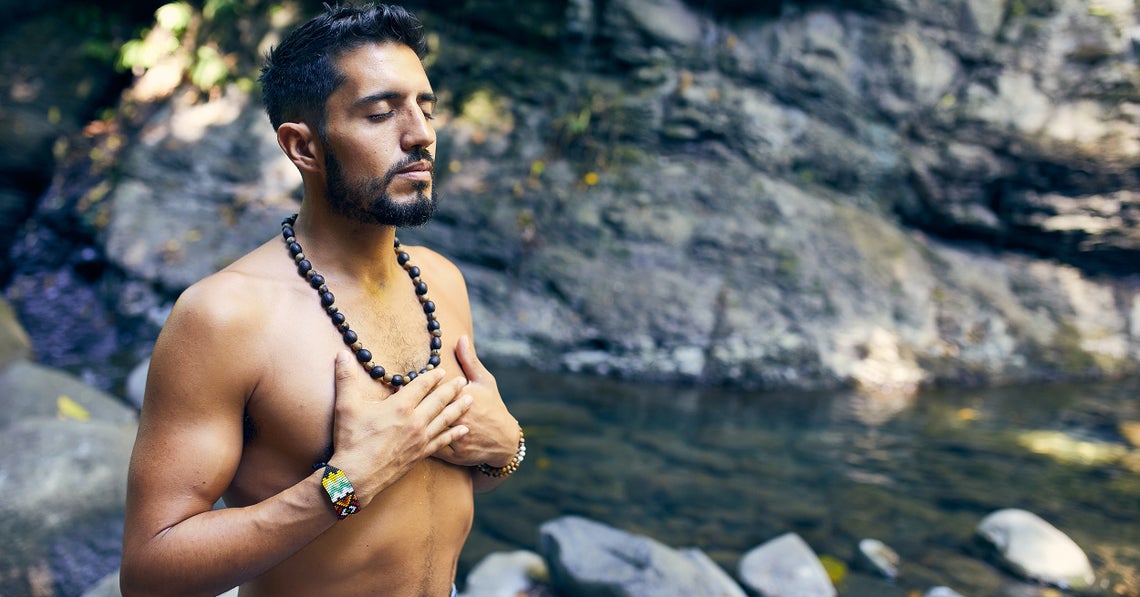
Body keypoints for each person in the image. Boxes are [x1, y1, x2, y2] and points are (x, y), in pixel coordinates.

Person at [120, 4, 524, 596]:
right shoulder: (226, 317)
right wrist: (344, 485)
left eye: (426, 107)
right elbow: (150, 573)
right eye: (382, 113)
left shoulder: (442, 282)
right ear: (303, 147)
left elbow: (444, 479)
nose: (421, 135)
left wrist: (505, 447)